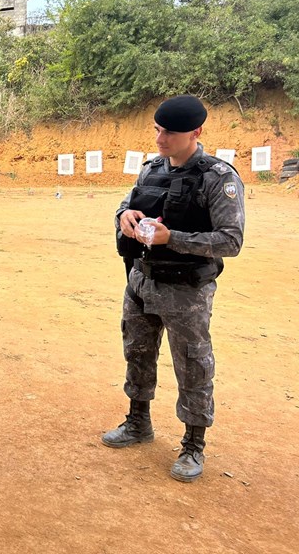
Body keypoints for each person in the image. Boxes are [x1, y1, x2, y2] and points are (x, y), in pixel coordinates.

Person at [105, 95, 245, 482]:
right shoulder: (151, 169)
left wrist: (173, 239)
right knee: (137, 353)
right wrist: (125, 216)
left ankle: (193, 445)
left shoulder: (218, 178)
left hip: (187, 292)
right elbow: (125, 206)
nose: (160, 139)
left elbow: (231, 240)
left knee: (193, 365)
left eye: (169, 132)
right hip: (142, 281)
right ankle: (138, 422)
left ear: (195, 132)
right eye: (157, 130)